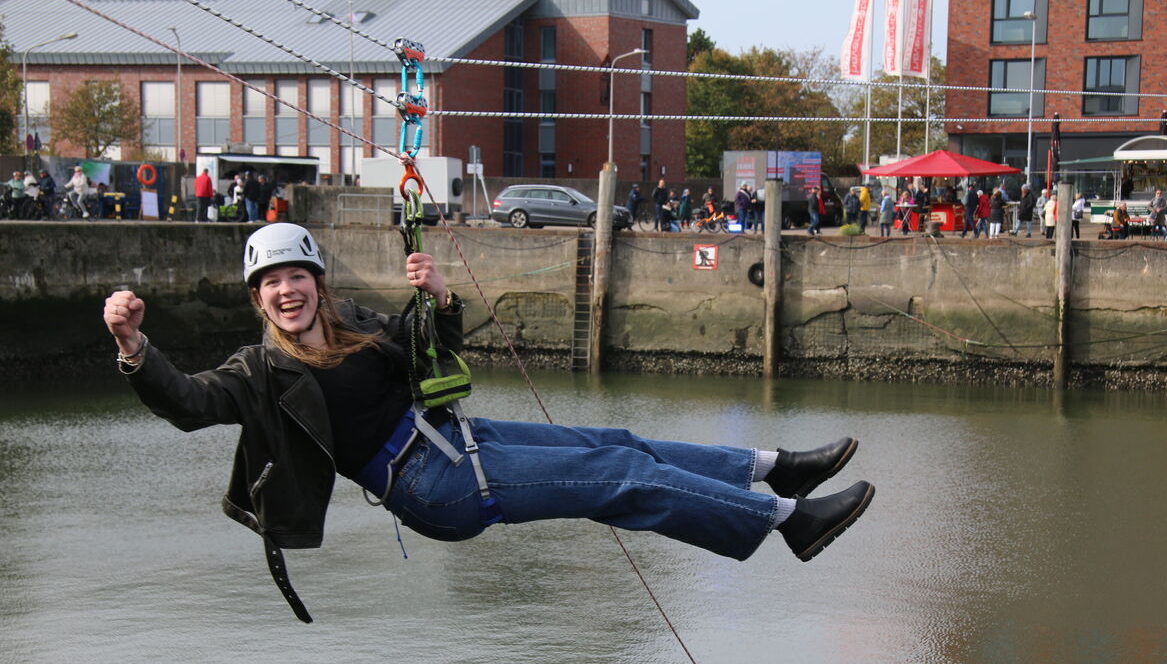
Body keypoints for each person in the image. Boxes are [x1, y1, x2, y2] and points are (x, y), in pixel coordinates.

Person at [101, 221, 875, 622]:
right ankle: (788, 520)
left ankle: (771, 467)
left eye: (296, 275)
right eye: (271, 284)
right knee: (618, 477)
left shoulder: (353, 323)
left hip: (455, 439)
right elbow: (187, 402)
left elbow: (430, 348)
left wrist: (439, 296)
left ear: (317, 281)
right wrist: (135, 347)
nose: (287, 292)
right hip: (431, 486)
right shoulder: (256, 372)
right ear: (258, 298)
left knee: (619, 443)